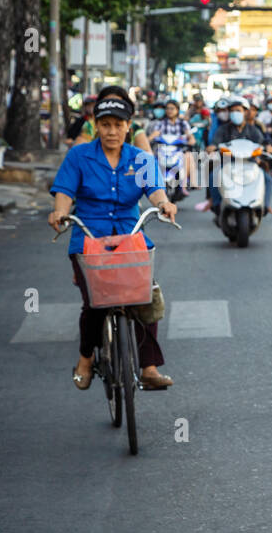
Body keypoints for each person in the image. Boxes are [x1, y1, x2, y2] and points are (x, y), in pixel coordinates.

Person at [47, 89, 179, 391]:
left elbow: (156, 190)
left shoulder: (140, 158)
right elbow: (65, 192)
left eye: (118, 125)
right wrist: (59, 213)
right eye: (105, 125)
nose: (112, 131)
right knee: (94, 303)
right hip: (89, 240)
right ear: (96, 125)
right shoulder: (79, 156)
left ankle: (148, 367)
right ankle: (85, 359)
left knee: (146, 296)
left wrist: (164, 204)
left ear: (128, 126)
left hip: (130, 239)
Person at [207, 96, 272, 214]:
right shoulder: (223, 129)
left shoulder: (253, 130)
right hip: (228, 163)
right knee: (213, 176)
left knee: (267, 179)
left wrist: (268, 147)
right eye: (232, 111)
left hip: (250, 163)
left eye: (238, 110)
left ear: (245, 112)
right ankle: (216, 205)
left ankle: (265, 206)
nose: (234, 113)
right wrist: (212, 147)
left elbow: (262, 142)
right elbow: (215, 143)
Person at [148, 98, 198, 193]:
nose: (169, 111)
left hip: (178, 150)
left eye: (172, 108)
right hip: (163, 150)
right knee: (151, 158)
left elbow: (190, 136)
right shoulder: (161, 123)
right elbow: (154, 134)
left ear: (177, 110)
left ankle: (188, 183)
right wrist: (147, 140)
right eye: (167, 108)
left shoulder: (183, 123)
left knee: (188, 156)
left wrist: (190, 140)